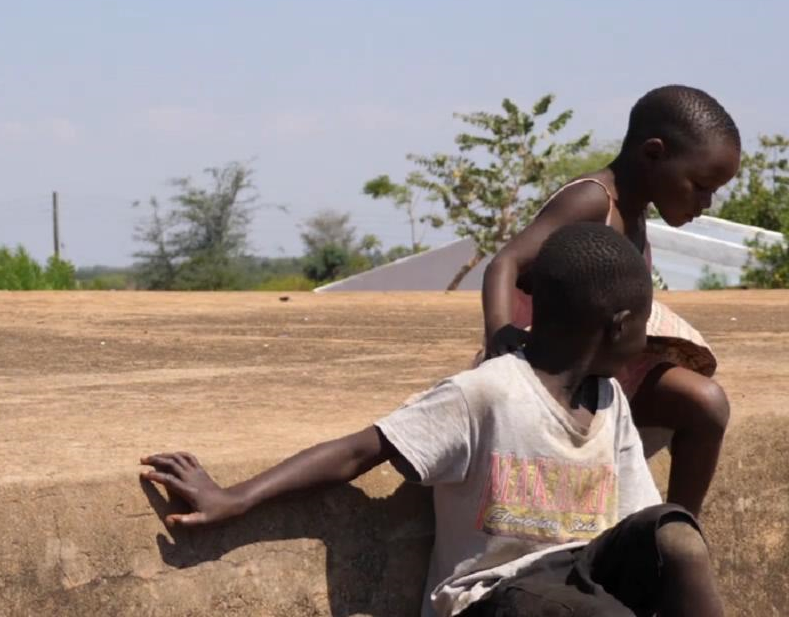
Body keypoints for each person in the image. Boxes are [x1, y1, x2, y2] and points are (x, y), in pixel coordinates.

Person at [143, 223, 726, 617]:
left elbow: (637, 520)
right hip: (494, 599)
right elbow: (359, 451)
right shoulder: (488, 394)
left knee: (674, 535)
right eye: (644, 322)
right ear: (618, 324)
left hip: (577, 581)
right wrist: (234, 498)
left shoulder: (608, 401)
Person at [482, 86, 740, 515]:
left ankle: (676, 533)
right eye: (699, 186)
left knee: (706, 405)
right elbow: (505, 263)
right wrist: (500, 338)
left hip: (609, 367)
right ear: (654, 154)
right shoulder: (591, 200)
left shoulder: (636, 213)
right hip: (554, 367)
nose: (705, 202)